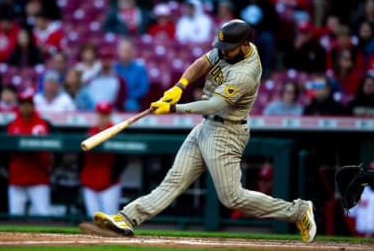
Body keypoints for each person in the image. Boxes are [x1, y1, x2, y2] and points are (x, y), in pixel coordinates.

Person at [84, 19, 317, 243]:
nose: (223, 52)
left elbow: (215, 104)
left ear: (245, 46)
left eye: (229, 49)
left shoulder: (245, 72)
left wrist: (174, 107)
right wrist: (179, 86)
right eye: (223, 47)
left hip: (227, 133)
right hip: (207, 126)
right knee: (173, 180)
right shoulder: (232, 47)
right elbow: (202, 63)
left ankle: (297, 211)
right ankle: (127, 218)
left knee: (232, 198)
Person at [6, 88, 52, 216]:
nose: (25, 107)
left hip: (39, 177)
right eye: (22, 104)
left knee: (43, 215)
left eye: (28, 104)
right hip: (17, 177)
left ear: (33, 106)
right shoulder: (11, 125)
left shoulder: (44, 124)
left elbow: (54, 150)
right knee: (15, 216)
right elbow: (4, 153)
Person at [79, 102, 127, 217]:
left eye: (105, 115)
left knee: (110, 219)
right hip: (90, 181)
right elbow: (80, 157)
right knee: (92, 217)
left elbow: (123, 159)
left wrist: (112, 177)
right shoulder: (90, 132)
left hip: (109, 184)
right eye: (100, 114)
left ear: (109, 115)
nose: (102, 118)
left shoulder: (116, 132)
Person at [114, 39, 149, 112]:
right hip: (115, 99)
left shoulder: (140, 69)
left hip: (131, 99)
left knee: (130, 105)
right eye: (123, 51)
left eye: (127, 51)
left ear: (132, 52)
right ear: (118, 52)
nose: (125, 54)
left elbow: (143, 89)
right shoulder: (114, 68)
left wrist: (125, 96)